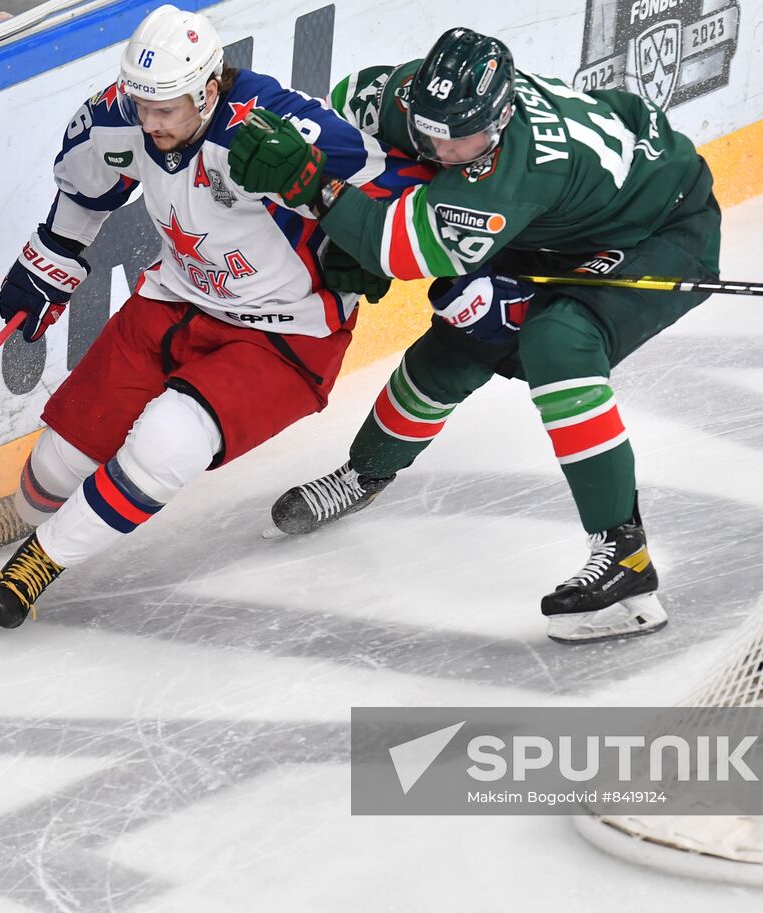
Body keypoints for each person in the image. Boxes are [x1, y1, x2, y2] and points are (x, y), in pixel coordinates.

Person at [226, 27, 722, 645]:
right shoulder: (424, 104)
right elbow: (351, 103)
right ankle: (366, 473)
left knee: (558, 341)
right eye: (432, 130)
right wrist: (357, 194)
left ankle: (626, 559)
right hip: (555, 224)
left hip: (660, 230)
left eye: (463, 137)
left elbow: (405, 249)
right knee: (458, 342)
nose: (444, 145)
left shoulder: (516, 168)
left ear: (502, 114)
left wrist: (318, 192)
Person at [0, 5, 421, 635]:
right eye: (141, 103)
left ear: (208, 88)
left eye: (165, 108)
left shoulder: (276, 124)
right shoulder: (129, 113)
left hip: (285, 332)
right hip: (176, 299)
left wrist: (361, 242)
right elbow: (87, 187)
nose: (148, 121)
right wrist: (54, 254)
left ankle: (40, 561)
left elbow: (392, 185)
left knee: (168, 442)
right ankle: (25, 510)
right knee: (61, 458)